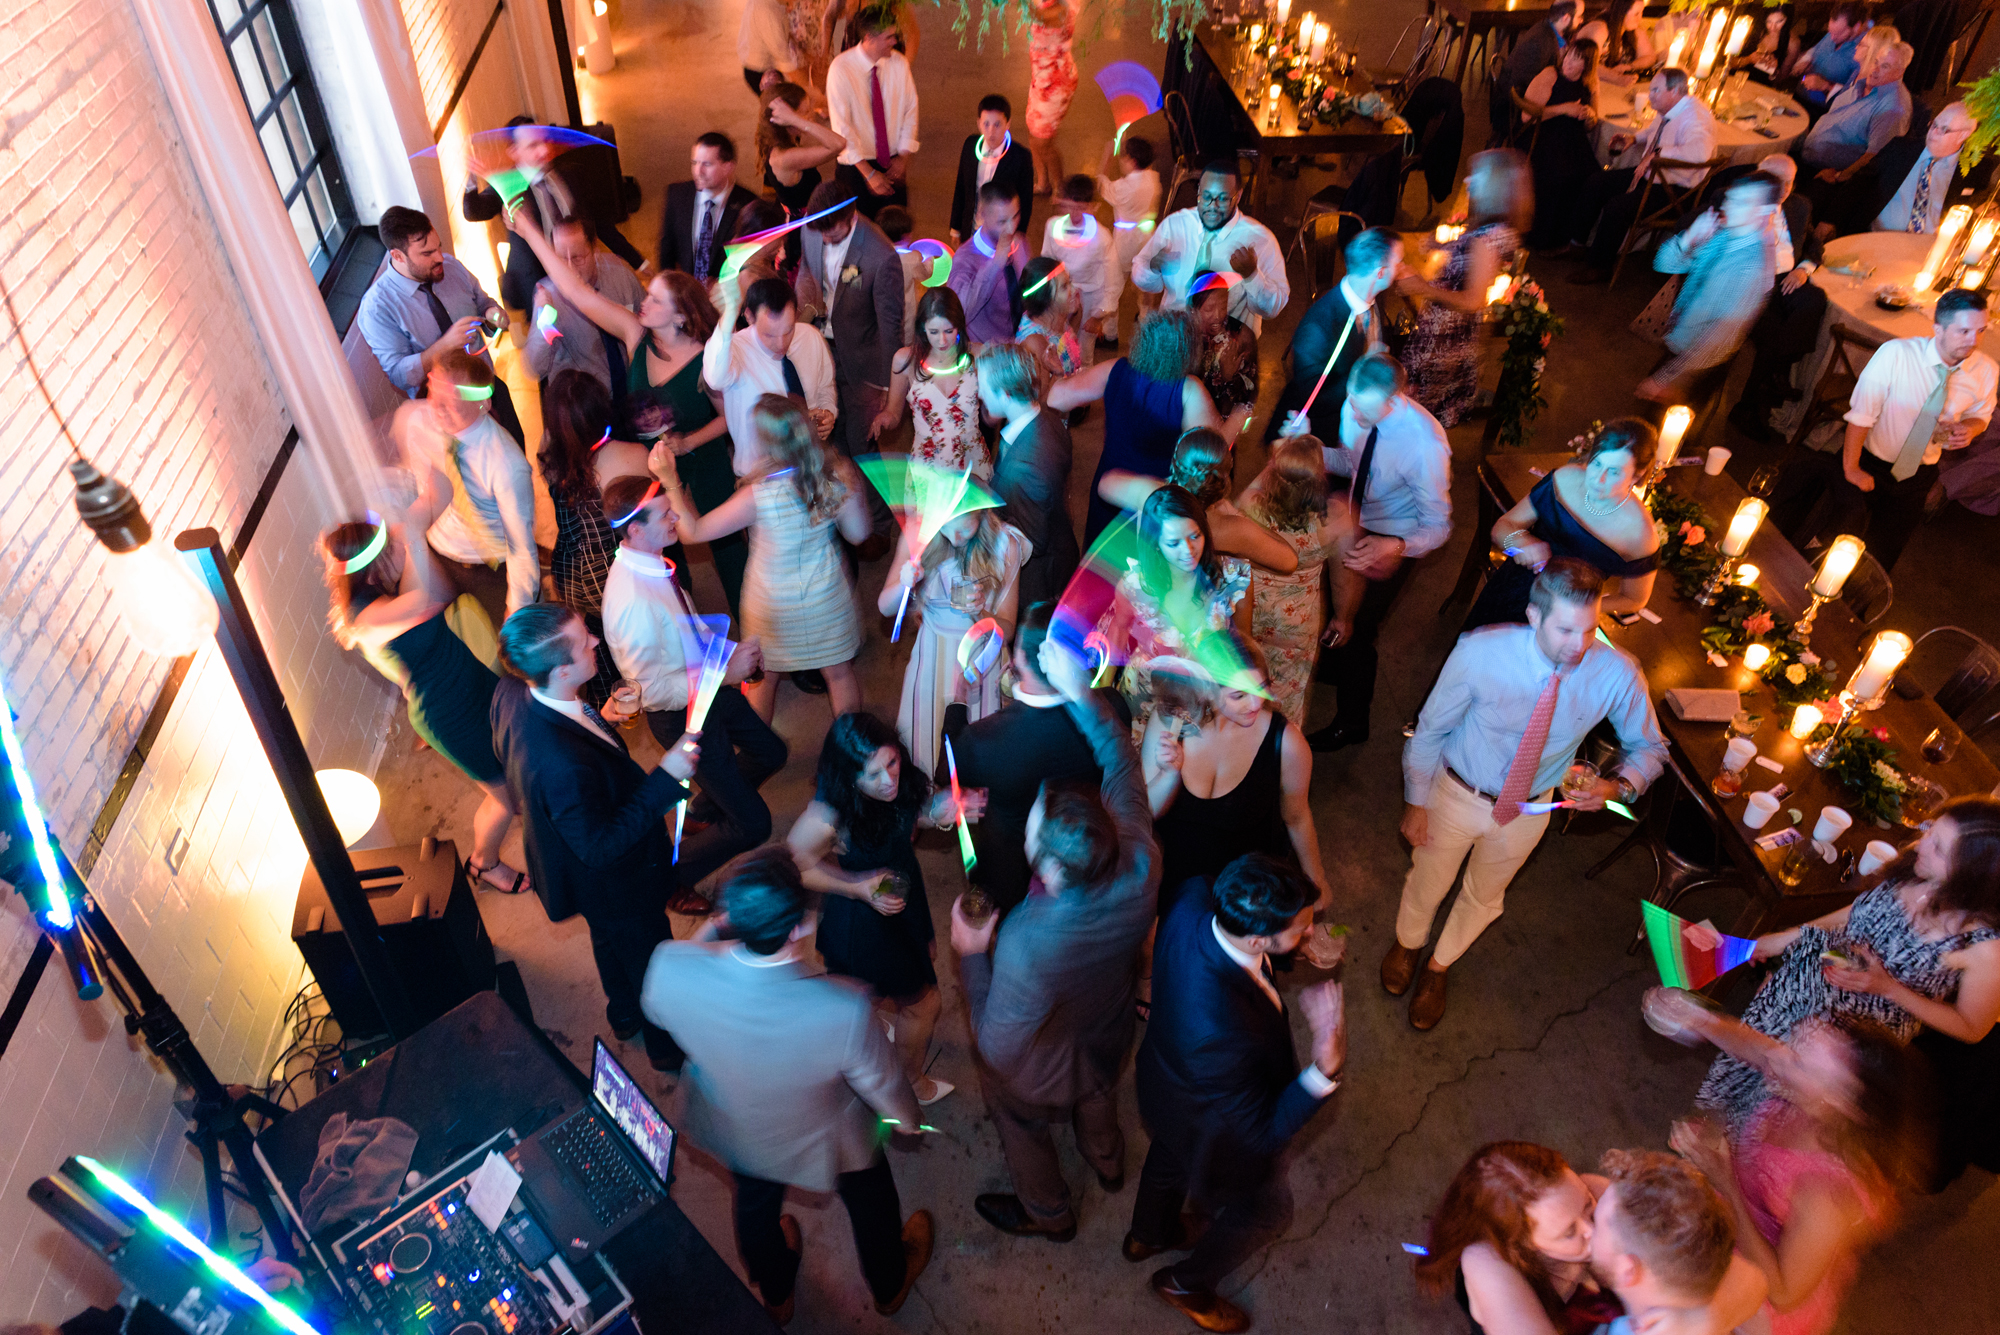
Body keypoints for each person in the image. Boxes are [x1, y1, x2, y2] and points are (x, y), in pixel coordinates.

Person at [639, 848, 932, 1323]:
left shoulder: (670, 968)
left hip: (736, 1125)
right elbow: (885, 1087)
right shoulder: (844, 1007)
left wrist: (717, 927)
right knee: (872, 1195)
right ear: (798, 930)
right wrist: (910, 1125)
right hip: (826, 1136)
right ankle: (889, 1283)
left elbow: (665, 990)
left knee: (754, 1207)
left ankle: (777, 1293)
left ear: (729, 915)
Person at [1392, 560, 1667, 1029]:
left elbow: (1651, 747)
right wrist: (1416, 801)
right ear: (1534, 616)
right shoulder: (1481, 652)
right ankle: (1407, 943)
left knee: (1485, 895)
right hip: (1457, 791)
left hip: (1530, 807)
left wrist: (1617, 786)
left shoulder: (1616, 672)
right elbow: (1431, 728)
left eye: (1589, 629)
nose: (1579, 645)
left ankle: (1439, 966)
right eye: (1565, 629)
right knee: (1429, 878)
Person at [952, 632, 1154, 1241]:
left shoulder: (1024, 939)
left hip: (1040, 1066)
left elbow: (998, 1046)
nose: (1034, 813)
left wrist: (968, 959)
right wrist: (1080, 692)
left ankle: (1049, 1212)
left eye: (1033, 825)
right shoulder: (1141, 860)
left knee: (1017, 1117)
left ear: (1045, 866)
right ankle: (1108, 1158)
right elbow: (1119, 758)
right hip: (1108, 1027)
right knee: (1099, 1091)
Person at [1127, 854, 1347, 1332]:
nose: (1310, 934)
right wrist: (1323, 1068)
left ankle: (1147, 1234)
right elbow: (1261, 1131)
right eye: (1302, 930)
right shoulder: (1219, 1030)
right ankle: (1185, 1284)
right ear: (1256, 939)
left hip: (1164, 1087)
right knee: (1269, 1210)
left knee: (1166, 1158)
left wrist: (1289, 948)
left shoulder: (1194, 897)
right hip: (1212, 1124)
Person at [1694, 797, 2000, 1131]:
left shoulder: (1984, 947)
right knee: (1737, 1068)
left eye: (1939, 848)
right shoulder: (1918, 866)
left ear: (1970, 876)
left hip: (1837, 1044)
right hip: (1795, 990)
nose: (1921, 844)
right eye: (1930, 830)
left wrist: (1889, 988)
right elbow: (1857, 913)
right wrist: (1788, 936)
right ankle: (1699, 1137)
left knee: (1766, 1113)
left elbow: (1972, 1027)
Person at [489, 604, 700, 1072]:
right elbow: (600, 846)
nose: (596, 643)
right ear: (562, 670)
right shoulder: (560, 766)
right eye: (586, 641)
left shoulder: (510, 692)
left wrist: (596, 717)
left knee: (607, 939)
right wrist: (666, 778)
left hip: (576, 871)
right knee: (650, 955)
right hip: (614, 881)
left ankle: (623, 1012)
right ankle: (665, 1049)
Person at [514, 210, 747, 611]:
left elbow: (730, 418)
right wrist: (528, 229)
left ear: (679, 315)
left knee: (727, 551)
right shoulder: (635, 335)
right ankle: (684, 614)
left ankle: (758, 632)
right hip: (647, 470)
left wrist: (687, 440)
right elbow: (575, 291)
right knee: (665, 553)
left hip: (704, 464)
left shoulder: (706, 358)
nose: (644, 298)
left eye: (656, 299)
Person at [1653, 1002, 1928, 1335]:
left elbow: (1783, 1294)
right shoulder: (1810, 1088)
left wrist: (1725, 1181)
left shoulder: (1828, 1196)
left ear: (1840, 1098)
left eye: (1797, 1062)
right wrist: (1703, 1020)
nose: (1778, 1057)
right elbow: (1759, 1048)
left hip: (1761, 1280)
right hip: (1734, 1221)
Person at [599, 475, 787, 895]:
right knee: (755, 824)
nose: (676, 518)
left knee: (772, 752)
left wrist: (726, 654)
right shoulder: (629, 602)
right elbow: (649, 694)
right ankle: (672, 882)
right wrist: (724, 673)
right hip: (681, 718)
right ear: (634, 529)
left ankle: (707, 804)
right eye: (665, 513)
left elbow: (687, 624)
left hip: (708, 689)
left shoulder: (656, 562)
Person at [320, 513, 525, 895]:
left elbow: (442, 594)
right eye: (385, 551)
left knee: (513, 749)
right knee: (501, 798)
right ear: (371, 561)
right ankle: (485, 863)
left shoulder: (384, 588)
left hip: (470, 678)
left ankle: (513, 798)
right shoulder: (363, 618)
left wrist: (420, 511)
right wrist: (413, 536)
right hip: (447, 714)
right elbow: (419, 604)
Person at [789, 712, 982, 1105]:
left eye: (892, 763)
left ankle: (864, 1030)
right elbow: (795, 866)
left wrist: (936, 813)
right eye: (872, 775)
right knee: (926, 1004)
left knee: (870, 993)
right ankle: (908, 1082)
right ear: (848, 778)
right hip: (865, 924)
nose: (889, 780)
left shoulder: (897, 782)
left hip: (900, 894)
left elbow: (904, 817)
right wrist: (858, 888)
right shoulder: (827, 815)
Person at [652, 394, 872, 721]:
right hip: (825, 597)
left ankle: (760, 758)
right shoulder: (836, 474)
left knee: (761, 678)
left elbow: (693, 532)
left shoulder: (758, 496)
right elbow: (859, 534)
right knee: (839, 675)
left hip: (770, 605)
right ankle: (855, 754)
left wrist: (670, 481)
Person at [1773, 287, 1997, 573]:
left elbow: (1981, 414)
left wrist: (1970, 428)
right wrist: (1851, 468)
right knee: (1828, 543)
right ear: (1938, 329)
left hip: (1919, 473)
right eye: (1963, 331)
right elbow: (1862, 416)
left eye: (1980, 331)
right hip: (1868, 461)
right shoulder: (1896, 354)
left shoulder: (1986, 370)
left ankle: (1849, 609)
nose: (1973, 341)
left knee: (1880, 558)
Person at [1295, 353, 1452, 754]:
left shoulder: (1425, 447)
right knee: (1335, 606)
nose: (1352, 413)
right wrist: (1309, 447)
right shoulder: (1358, 407)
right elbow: (1353, 461)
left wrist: (1396, 546)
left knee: (1359, 629)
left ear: (1396, 400)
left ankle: (1352, 722)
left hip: (1394, 537)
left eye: (1363, 410)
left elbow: (1439, 526)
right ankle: (1334, 669)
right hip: (1358, 521)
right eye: (1350, 400)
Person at [939, 602, 1131, 913]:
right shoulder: (1113, 707)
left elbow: (946, 771)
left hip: (1010, 863)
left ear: (1019, 659)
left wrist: (956, 702)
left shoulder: (983, 739)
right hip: (1084, 853)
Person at [1143, 632, 1330, 924]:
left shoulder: (1287, 743)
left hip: (1242, 898)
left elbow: (1297, 816)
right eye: (1239, 695)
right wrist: (1169, 775)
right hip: (1173, 890)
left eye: (1261, 688)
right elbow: (1146, 813)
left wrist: (1316, 881)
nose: (1255, 704)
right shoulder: (1170, 723)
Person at [390, 349, 538, 630]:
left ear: (482, 403)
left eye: (452, 399)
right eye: (435, 394)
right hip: (440, 549)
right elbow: (422, 484)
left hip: (490, 567)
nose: (439, 408)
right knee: (420, 632)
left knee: (515, 650)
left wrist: (517, 607)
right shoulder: (413, 420)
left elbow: (521, 547)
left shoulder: (506, 464)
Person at [1465, 418, 1659, 630]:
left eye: (1613, 471)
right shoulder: (1564, 480)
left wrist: (1586, 608)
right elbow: (1500, 529)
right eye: (1596, 463)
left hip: (1562, 624)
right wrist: (1519, 543)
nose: (1597, 479)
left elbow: (1634, 599)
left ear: (1637, 476)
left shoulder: (1641, 534)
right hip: (1509, 590)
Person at [1415, 1142, 1627, 1334]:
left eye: (1588, 1206)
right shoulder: (1488, 1267)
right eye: (1569, 1233)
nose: (1593, 1228)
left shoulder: (1593, 1189)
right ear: (1525, 1245)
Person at [359, 205, 526, 447]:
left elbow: (482, 301)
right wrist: (445, 345)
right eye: (427, 253)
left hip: (490, 387)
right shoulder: (377, 308)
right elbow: (398, 374)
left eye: (438, 247)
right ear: (397, 256)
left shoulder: (451, 265)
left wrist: (492, 314)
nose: (440, 257)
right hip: (450, 417)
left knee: (517, 455)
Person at [880, 506, 1030, 774]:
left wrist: (980, 613)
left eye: (964, 527)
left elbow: (1007, 630)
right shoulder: (918, 536)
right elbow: (885, 608)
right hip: (931, 657)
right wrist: (904, 584)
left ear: (981, 512)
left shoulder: (1005, 545)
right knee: (925, 747)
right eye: (946, 526)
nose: (955, 536)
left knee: (980, 752)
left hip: (982, 660)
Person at [1055, 310, 1222, 547]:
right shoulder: (1189, 391)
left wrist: (1055, 370)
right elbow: (1209, 458)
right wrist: (1242, 413)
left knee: (1103, 562)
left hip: (1110, 489)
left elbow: (1056, 398)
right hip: (1156, 499)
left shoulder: (1116, 369)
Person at [1096, 484, 1252, 727]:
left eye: (1194, 536)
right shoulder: (1135, 586)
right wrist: (1103, 695)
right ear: (1156, 544)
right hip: (1146, 700)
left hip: (1205, 704)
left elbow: (1244, 647)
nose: (1188, 551)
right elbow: (1118, 630)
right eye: (1173, 543)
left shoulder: (1230, 578)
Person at [798, 183, 904, 539]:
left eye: (835, 231)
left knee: (862, 451)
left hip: (863, 367)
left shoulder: (879, 254)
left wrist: (890, 390)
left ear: (851, 214)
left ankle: (879, 527)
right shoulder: (811, 231)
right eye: (820, 231)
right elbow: (806, 277)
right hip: (821, 351)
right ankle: (846, 518)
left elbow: (891, 326)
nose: (826, 239)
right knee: (829, 439)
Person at [462, 119, 643, 313]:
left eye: (545, 141)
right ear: (514, 152)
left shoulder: (572, 174)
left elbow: (601, 224)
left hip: (583, 276)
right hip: (538, 288)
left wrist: (638, 261)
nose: (544, 150)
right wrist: (471, 179)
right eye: (533, 146)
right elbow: (474, 212)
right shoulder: (509, 186)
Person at [1405, 150, 1530, 427]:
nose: (1468, 181)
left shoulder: (1487, 239)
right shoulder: (1495, 227)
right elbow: (1471, 258)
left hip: (1445, 343)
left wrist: (1422, 288)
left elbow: (1475, 300)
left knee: (1418, 416)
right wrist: (1443, 245)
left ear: (1494, 185)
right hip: (1453, 336)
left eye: (1477, 176)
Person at [1636, 171, 1782, 409]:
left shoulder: (1752, 266)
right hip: (1680, 341)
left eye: (1742, 202)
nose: (1729, 206)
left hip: (1698, 365)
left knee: (1665, 434)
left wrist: (1666, 378)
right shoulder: (1721, 234)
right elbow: (1663, 264)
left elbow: (1721, 333)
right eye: (1731, 198)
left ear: (1766, 212)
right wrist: (1689, 239)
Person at [1570, 68, 1719, 286]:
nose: (1650, 96)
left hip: (1675, 190)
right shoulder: (1671, 107)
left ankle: (1599, 268)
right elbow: (1654, 130)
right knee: (1597, 182)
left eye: (1655, 90)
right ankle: (1577, 244)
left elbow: (1700, 154)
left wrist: (1658, 153)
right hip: (1653, 175)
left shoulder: (1696, 117)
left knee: (1617, 208)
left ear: (1675, 91)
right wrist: (1634, 138)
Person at [1236, 436, 1347, 723]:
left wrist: (1274, 462)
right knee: (1288, 688)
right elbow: (1342, 580)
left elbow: (1234, 511)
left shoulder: (1253, 507)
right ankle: (1278, 744)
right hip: (1295, 622)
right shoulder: (1333, 519)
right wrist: (1344, 618)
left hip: (1250, 609)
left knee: (1244, 674)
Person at [1588, 1149, 1758, 1332]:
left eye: (1594, 1223)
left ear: (1627, 1269)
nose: (1587, 1231)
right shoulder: (1706, 1285)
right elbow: (1755, 1279)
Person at [1097, 426, 1302, 574]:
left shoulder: (1150, 493)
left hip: (1143, 598)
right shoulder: (1228, 528)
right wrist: (1236, 517)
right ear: (1225, 479)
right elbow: (1289, 561)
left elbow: (1105, 484)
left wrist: (1159, 484)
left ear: (1176, 463)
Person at [1727, 156, 1831, 441]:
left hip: (1785, 279)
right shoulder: (1738, 205)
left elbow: (1814, 244)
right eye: (1778, 182)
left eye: (1791, 181)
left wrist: (1803, 269)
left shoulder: (1799, 205)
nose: (1786, 189)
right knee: (1773, 337)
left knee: (1815, 299)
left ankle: (1777, 373)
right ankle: (1756, 401)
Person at [1270, 227, 1401, 447]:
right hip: (1324, 436)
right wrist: (1366, 366)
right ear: (1380, 272)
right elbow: (1315, 397)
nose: (1402, 268)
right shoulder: (1318, 327)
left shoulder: (1370, 298)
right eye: (1399, 262)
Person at [535, 370, 650, 621]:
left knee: (597, 632)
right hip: (611, 570)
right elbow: (652, 518)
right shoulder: (634, 455)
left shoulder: (548, 449)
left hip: (566, 571)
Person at [1129, 160, 1289, 336]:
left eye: (1222, 198)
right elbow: (1141, 278)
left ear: (1239, 196)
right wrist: (1153, 265)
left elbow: (1273, 308)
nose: (1212, 206)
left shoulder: (1260, 239)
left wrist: (1252, 276)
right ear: (1198, 192)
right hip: (1176, 339)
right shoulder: (1175, 225)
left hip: (1227, 348)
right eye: (1206, 197)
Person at [705, 274, 838, 477]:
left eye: (789, 330)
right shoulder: (735, 349)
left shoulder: (810, 337)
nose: (781, 343)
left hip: (811, 469)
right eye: (769, 335)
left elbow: (825, 388)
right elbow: (715, 377)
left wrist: (828, 413)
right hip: (760, 478)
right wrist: (729, 312)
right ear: (749, 316)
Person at [978, 343, 1078, 609]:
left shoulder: (1025, 468)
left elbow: (1029, 544)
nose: (979, 393)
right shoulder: (1048, 420)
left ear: (1006, 394)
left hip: (1038, 583)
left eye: (984, 388)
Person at [522, 217, 647, 405]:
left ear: (595, 250)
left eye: (578, 258)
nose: (570, 268)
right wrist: (545, 319)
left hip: (631, 392)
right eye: (562, 259)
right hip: (587, 406)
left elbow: (646, 324)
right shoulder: (547, 293)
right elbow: (535, 367)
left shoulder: (620, 274)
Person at [826, 6, 919, 219]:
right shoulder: (841, 69)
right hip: (856, 168)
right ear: (869, 37)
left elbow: (910, 110)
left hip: (892, 163)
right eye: (889, 37)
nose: (895, 42)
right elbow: (842, 128)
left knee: (895, 230)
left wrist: (903, 157)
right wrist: (868, 173)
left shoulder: (899, 64)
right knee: (858, 232)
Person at [883, 287, 987, 474]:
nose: (942, 340)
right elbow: (893, 414)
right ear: (922, 327)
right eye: (933, 331)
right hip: (928, 467)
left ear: (959, 326)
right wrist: (882, 419)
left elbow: (991, 415)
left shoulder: (978, 356)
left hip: (971, 464)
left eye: (949, 331)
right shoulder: (905, 360)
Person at [1799, 40, 1914, 202]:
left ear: (1899, 72)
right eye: (1876, 62)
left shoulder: (1892, 109)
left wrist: (1839, 176)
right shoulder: (1866, 84)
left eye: (1885, 66)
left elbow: (1874, 158)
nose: (1875, 70)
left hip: (1822, 174)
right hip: (1808, 152)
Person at [1523, 41, 1599, 255]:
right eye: (1568, 56)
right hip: (1544, 132)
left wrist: (1589, 115)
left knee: (1591, 175)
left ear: (1587, 65)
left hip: (1573, 137)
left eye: (1576, 59)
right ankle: (1541, 238)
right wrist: (1563, 109)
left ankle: (1569, 238)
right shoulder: (1550, 74)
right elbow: (1527, 115)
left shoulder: (1590, 84)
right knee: (1558, 174)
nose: (1568, 62)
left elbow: (1592, 124)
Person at [657, 132, 760, 283]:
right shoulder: (677, 195)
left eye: (707, 164)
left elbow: (752, 261)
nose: (698, 171)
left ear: (728, 167)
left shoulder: (748, 204)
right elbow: (666, 251)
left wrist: (723, 286)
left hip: (726, 299)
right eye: (694, 163)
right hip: (685, 297)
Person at [1866, 101, 1978, 235]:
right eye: (1934, 124)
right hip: (1877, 238)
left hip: (1927, 249)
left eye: (1944, 129)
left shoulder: (1974, 172)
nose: (1934, 132)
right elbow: (1861, 182)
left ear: (1963, 135)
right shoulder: (1900, 149)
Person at [948, 180, 1033, 346]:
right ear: (981, 214)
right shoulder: (965, 260)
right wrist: (995, 265)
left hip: (1019, 346)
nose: (1011, 228)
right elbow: (958, 313)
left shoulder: (1020, 242)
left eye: (1015, 216)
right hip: (986, 354)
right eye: (1002, 222)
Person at [1043, 175, 1119, 359]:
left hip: (1089, 296)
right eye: (1070, 206)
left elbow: (1112, 280)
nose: (1075, 213)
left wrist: (1098, 315)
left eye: (1081, 208)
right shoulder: (1053, 226)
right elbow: (1046, 262)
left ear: (1094, 207)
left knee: (1084, 349)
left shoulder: (1102, 237)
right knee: (1056, 342)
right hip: (1061, 294)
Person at [1097, 134, 1162, 347]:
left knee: (1114, 284)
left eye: (1123, 157)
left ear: (1132, 161)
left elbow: (1100, 184)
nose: (1120, 161)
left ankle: (1110, 334)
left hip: (1125, 242)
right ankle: (1145, 322)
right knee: (1145, 284)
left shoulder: (1122, 188)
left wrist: (1106, 155)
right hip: (1148, 238)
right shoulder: (1154, 180)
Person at [949, 94, 1037, 244]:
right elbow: (961, 188)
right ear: (978, 123)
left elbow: (1025, 202)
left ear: (1008, 124)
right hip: (971, 230)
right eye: (986, 124)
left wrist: (1017, 236)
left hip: (1000, 235)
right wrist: (955, 228)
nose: (991, 132)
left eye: (997, 124)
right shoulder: (970, 146)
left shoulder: (1020, 156)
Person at [758, 82, 847, 224]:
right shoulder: (786, 157)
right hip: (805, 228)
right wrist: (797, 120)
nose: (810, 115)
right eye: (804, 112)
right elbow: (839, 144)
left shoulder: (782, 140)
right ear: (786, 119)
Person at [1186, 270, 1258, 436]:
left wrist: (1228, 378)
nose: (1218, 315)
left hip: (1222, 432)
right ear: (1193, 309)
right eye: (1209, 309)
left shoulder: (1241, 336)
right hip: (1188, 426)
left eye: (1223, 305)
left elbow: (1248, 396)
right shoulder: (1182, 336)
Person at [1024, 0, 1079, 193]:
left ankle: (1059, 187)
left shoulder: (1065, 6)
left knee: (1043, 142)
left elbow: (1041, 16)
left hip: (1056, 83)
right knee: (1034, 135)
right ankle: (1043, 183)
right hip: (1041, 78)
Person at [1786, 3, 1873, 115]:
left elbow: (1856, 94)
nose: (1832, 37)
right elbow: (1815, 50)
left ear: (1856, 27)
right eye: (1830, 32)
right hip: (1799, 96)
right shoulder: (1832, 34)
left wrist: (1826, 85)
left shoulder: (1864, 50)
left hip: (1821, 110)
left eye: (1838, 33)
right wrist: (1805, 59)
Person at [1505, 2, 1580, 106]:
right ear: (1565, 18)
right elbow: (1526, 90)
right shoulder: (1540, 42)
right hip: (1516, 108)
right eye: (1579, 16)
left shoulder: (1548, 27)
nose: (1581, 20)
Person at [739, 0, 807, 95]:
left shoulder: (772, 5)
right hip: (759, 70)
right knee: (779, 105)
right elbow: (782, 55)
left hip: (764, 65)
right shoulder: (766, 10)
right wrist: (806, 88)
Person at [1733, 4, 1801, 85]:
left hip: (1761, 89)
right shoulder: (1748, 28)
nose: (1772, 27)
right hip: (1733, 79)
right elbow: (1727, 63)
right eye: (1769, 21)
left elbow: (1781, 81)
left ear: (1787, 19)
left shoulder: (1793, 43)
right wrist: (1748, 59)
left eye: (1779, 21)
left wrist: (1774, 71)